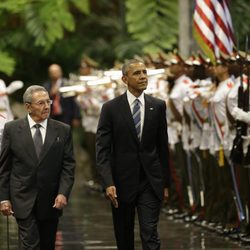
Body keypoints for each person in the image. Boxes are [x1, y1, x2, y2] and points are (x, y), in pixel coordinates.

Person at [96, 59, 170, 249]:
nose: (143, 76)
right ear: (124, 79)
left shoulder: (158, 106)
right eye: (137, 73)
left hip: (150, 182)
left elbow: (163, 147)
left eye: (144, 72)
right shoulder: (111, 108)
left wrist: (165, 183)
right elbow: (103, 149)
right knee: (124, 237)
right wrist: (108, 182)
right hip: (121, 183)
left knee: (150, 233)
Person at [0, 85, 75, 250]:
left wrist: (63, 193)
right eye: (41, 103)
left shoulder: (62, 130)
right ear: (28, 107)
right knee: (30, 245)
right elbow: (5, 167)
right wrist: (4, 198)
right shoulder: (12, 129)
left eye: (48, 102)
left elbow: (68, 165)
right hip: (22, 198)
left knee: (47, 245)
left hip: (51, 200)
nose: (47, 106)